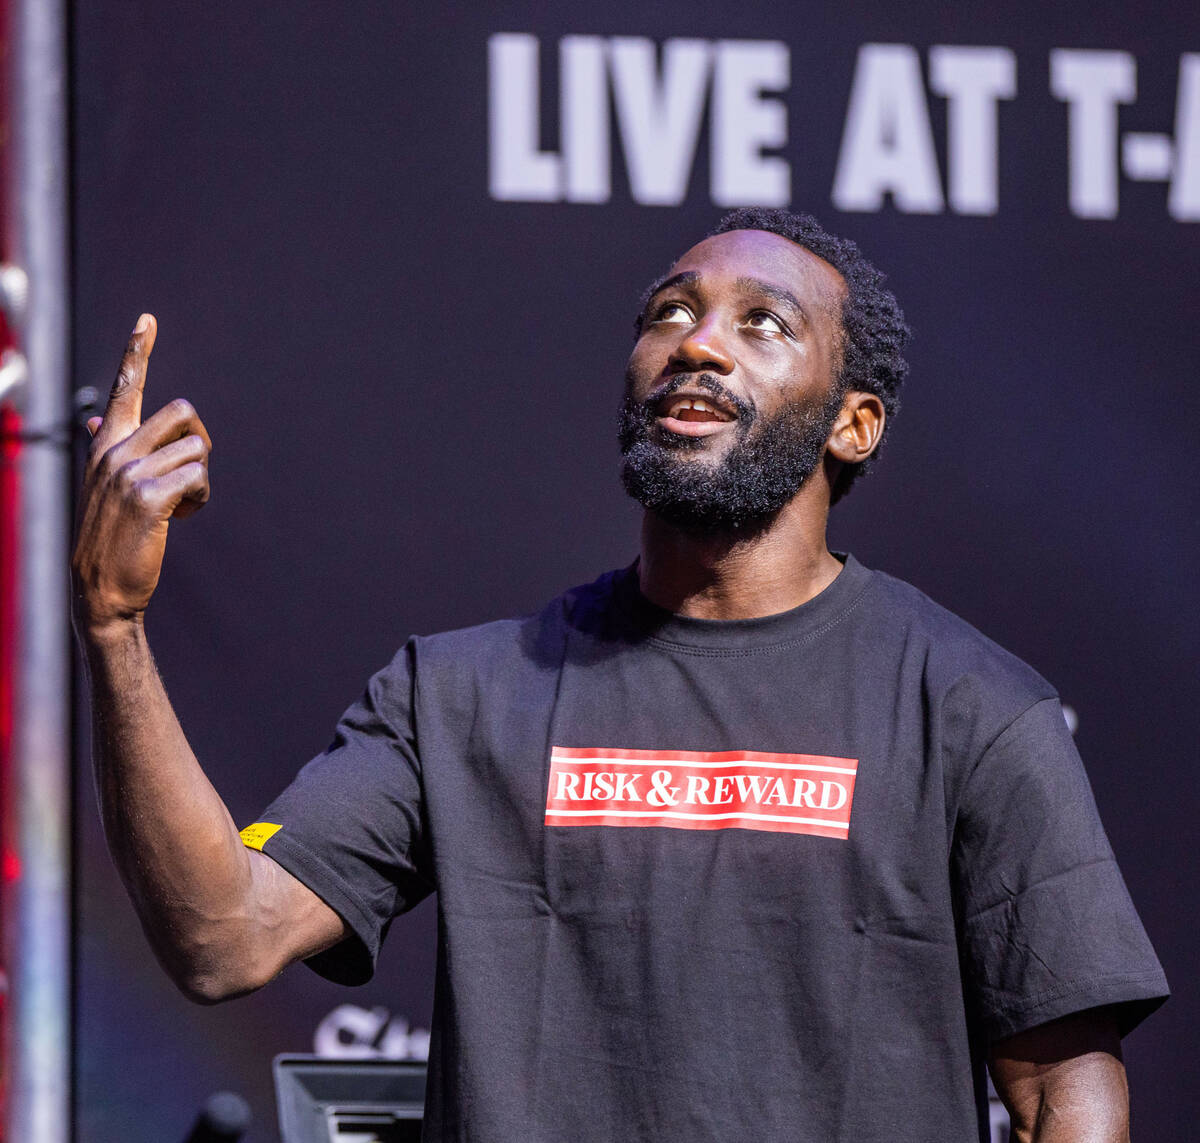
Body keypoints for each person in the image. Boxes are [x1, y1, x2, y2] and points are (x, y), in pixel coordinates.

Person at [72, 208, 1167, 1143]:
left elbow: (1062, 1088)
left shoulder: (972, 708)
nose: (699, 346)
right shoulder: (459, 696)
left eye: (764, 324)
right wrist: (115, 627)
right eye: (671, 313)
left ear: (854, 424)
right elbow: (224, 936)